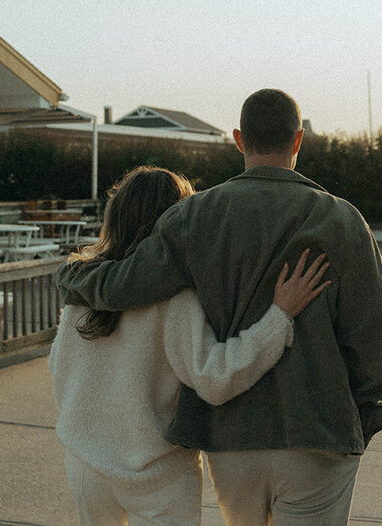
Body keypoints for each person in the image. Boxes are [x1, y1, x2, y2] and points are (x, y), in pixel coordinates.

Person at [56, 89, 382, 525]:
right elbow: (371, 335)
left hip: (232, 439)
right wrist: (366, 416)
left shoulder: (192, 217)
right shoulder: (343, 220)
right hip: (319, 432)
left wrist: (70, 275)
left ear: (238, 139)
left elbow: (124, 283)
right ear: (298, 140)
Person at [49, 165, 331, 526]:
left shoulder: (83, 288)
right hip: (156, 473)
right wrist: (278, 317)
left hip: (85, 462)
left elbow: (60, 370)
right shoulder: (174, 297)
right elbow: (215, 377)